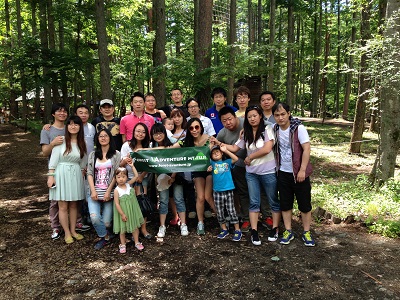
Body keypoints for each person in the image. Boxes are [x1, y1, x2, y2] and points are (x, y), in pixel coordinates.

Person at [224, 106, 280, 246]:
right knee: (254, 201)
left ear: (260, 116)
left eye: (255, 116)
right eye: (249, 117)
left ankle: (275, 228)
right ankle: (254, 231)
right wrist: (220, 144)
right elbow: (235, 148)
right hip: (251, 173)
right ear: (246, 119)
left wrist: (251, 157)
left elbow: (267, 149)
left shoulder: (268, 130)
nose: (252, 118)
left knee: (272, 200)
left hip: (268, 171)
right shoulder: (246, 133)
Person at [272, 102, 315, 246]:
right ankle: (288, 230)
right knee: (285, 203)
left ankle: (307, 231)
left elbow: (306, 149)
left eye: (283, 114)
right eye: (277, 115)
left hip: (299, 172)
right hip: (283, 172)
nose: (280, 117)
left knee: (304, 203)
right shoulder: (274, 129)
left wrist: (302, 169)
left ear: (289, 113)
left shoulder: (298, 128)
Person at [171, 118, 216, 235]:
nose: (194, 130)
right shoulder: (186, 142)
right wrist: (146, 150)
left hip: (210, 170)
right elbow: (168, 150)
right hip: (197, 171)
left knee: (208, 196)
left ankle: (222, 218)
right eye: (191, 128)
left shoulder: (210, 139)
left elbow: (217, 154)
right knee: (200, 197)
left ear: (201, 127)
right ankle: (200, 222)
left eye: (197, 127)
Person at [47, 116, 87, 244]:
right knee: (63, 206)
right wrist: (50, 176)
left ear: (80, 127)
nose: (73, 126)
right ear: (67, 127)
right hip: (61, 173)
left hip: (76, 174)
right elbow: (53, 160)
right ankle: (67, 233)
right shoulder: (61, 140)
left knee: (74, 204)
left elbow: (83, 163)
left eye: (76, 124)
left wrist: (81, 176)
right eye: (70, 124)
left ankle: (74, 230)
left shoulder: (82, 143)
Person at [211, 106, 250, 232]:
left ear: (235, 116)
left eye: (230, 119)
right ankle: (244, 217)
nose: (228, 122)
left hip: (255, 162)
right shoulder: (222, 133)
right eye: (224, 121)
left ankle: (266, 215)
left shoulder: (246, 122)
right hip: (236, 165)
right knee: (239, 191)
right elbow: (215, 149)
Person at [148, 123, 188, 238]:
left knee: (178, 198)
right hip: (162, 176)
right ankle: (162, 226)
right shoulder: (151, 145)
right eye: (155, 134)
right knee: (164, 200)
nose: (158, 136)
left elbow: (179, 157)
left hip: (176, 174)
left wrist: (173, 176)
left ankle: (183, 224)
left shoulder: (171, 141)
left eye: (160, 133)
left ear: (164, 133)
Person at [87, 128, 121, 250]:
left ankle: (106, 232)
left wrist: (108, 191)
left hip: (109, 192)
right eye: (100, 136)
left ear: (110, 138)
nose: (103, 138)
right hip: (94, 191)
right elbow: (89, 173)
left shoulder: (116, 154)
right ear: (97, 139)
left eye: (105, 136)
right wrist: (93, 191)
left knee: (107, 222)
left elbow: (116, 174)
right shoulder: (93, 154)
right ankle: (103, 236)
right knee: (95, 217)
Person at [119, 123, 152, 239]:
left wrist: (142, 176)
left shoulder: (149, 145)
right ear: (133, 132)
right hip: (128, 179)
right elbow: (120, 165)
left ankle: (143, 229)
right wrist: (126, 159)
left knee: (142, 202)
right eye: (138, 131)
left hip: (142, 178)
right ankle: (134, 230)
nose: (140, 134)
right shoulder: (126, 146)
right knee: (131, 204)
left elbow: (151, 164)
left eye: (143, 132)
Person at [40, 103, 68, 240]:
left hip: (70, 168)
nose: (62, 113)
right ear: (53, 114)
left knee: (71, 197)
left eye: (64, 111)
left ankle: (75, 223)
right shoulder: (47, 130)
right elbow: (44, 152)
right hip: (54, 169)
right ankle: (55, 226)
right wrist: (53, 143)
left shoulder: (70, 129)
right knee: (55, 200)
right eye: (59, 111)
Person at [207, 144, 242, 242]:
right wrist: (210, 148)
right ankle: (224, 229)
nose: (216, 154)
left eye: (217, 152)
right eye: (213, 153)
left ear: (221, 153)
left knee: (231, 210)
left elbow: (236, 158)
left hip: (228, 190)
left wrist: (226, 150)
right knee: (219, 211)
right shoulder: (212, 164)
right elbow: (205, 159)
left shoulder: (227, 162)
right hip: (217, 191)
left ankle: (237, 229)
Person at [113, 166, 145, 254]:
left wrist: (132, 166)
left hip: (132, 211)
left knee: (134, 227)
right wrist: (122, 214)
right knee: (122, 229)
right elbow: (117, 203)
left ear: (127, 177)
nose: (121, 179)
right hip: (123, 212)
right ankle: (122, 244)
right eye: (118, 177)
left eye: (123, 177)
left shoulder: (128, 185)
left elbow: (135, 176)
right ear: (115, 178)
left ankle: (137, 242)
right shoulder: (117, 190)